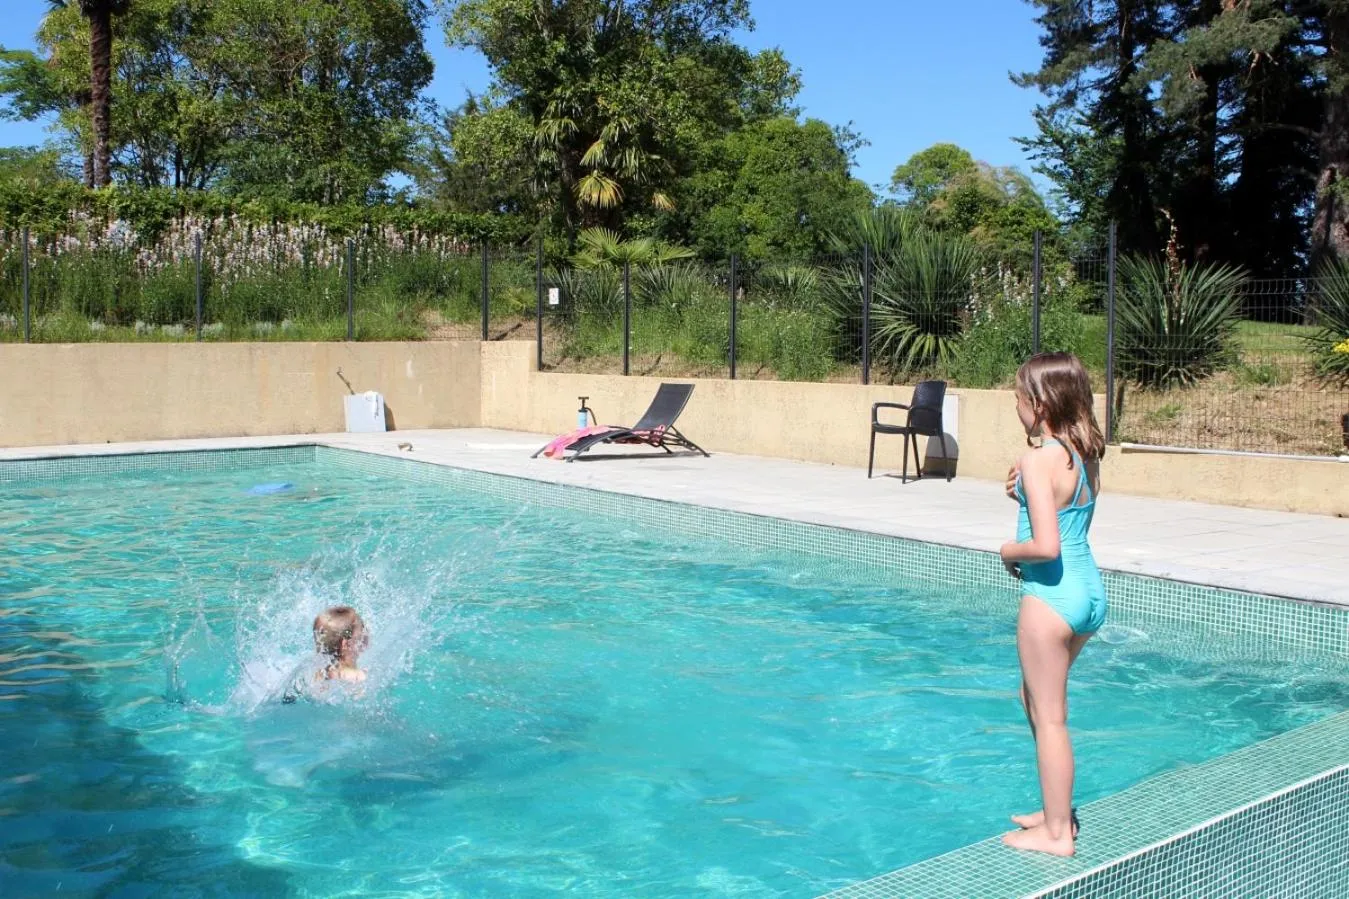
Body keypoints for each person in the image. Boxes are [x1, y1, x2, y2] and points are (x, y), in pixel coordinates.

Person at [998, 352, 1106, 857]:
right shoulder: (1083, 453)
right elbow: (1064, 511)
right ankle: (1054, 806)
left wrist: (1006, 551)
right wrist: (1022, 492)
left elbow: (1044, 545)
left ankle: (1057, 833)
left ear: (1038, 404)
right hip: (1087, 594)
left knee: (1051, 715)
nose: (1015, 406)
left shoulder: (1037, 459)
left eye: (1019, 397)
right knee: (1031, 699)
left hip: (1050, 597)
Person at [281, 606, 368, 703]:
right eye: (363, 632)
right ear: (346, 643)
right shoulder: (355, 676)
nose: (366, 635)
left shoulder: (318, 674)